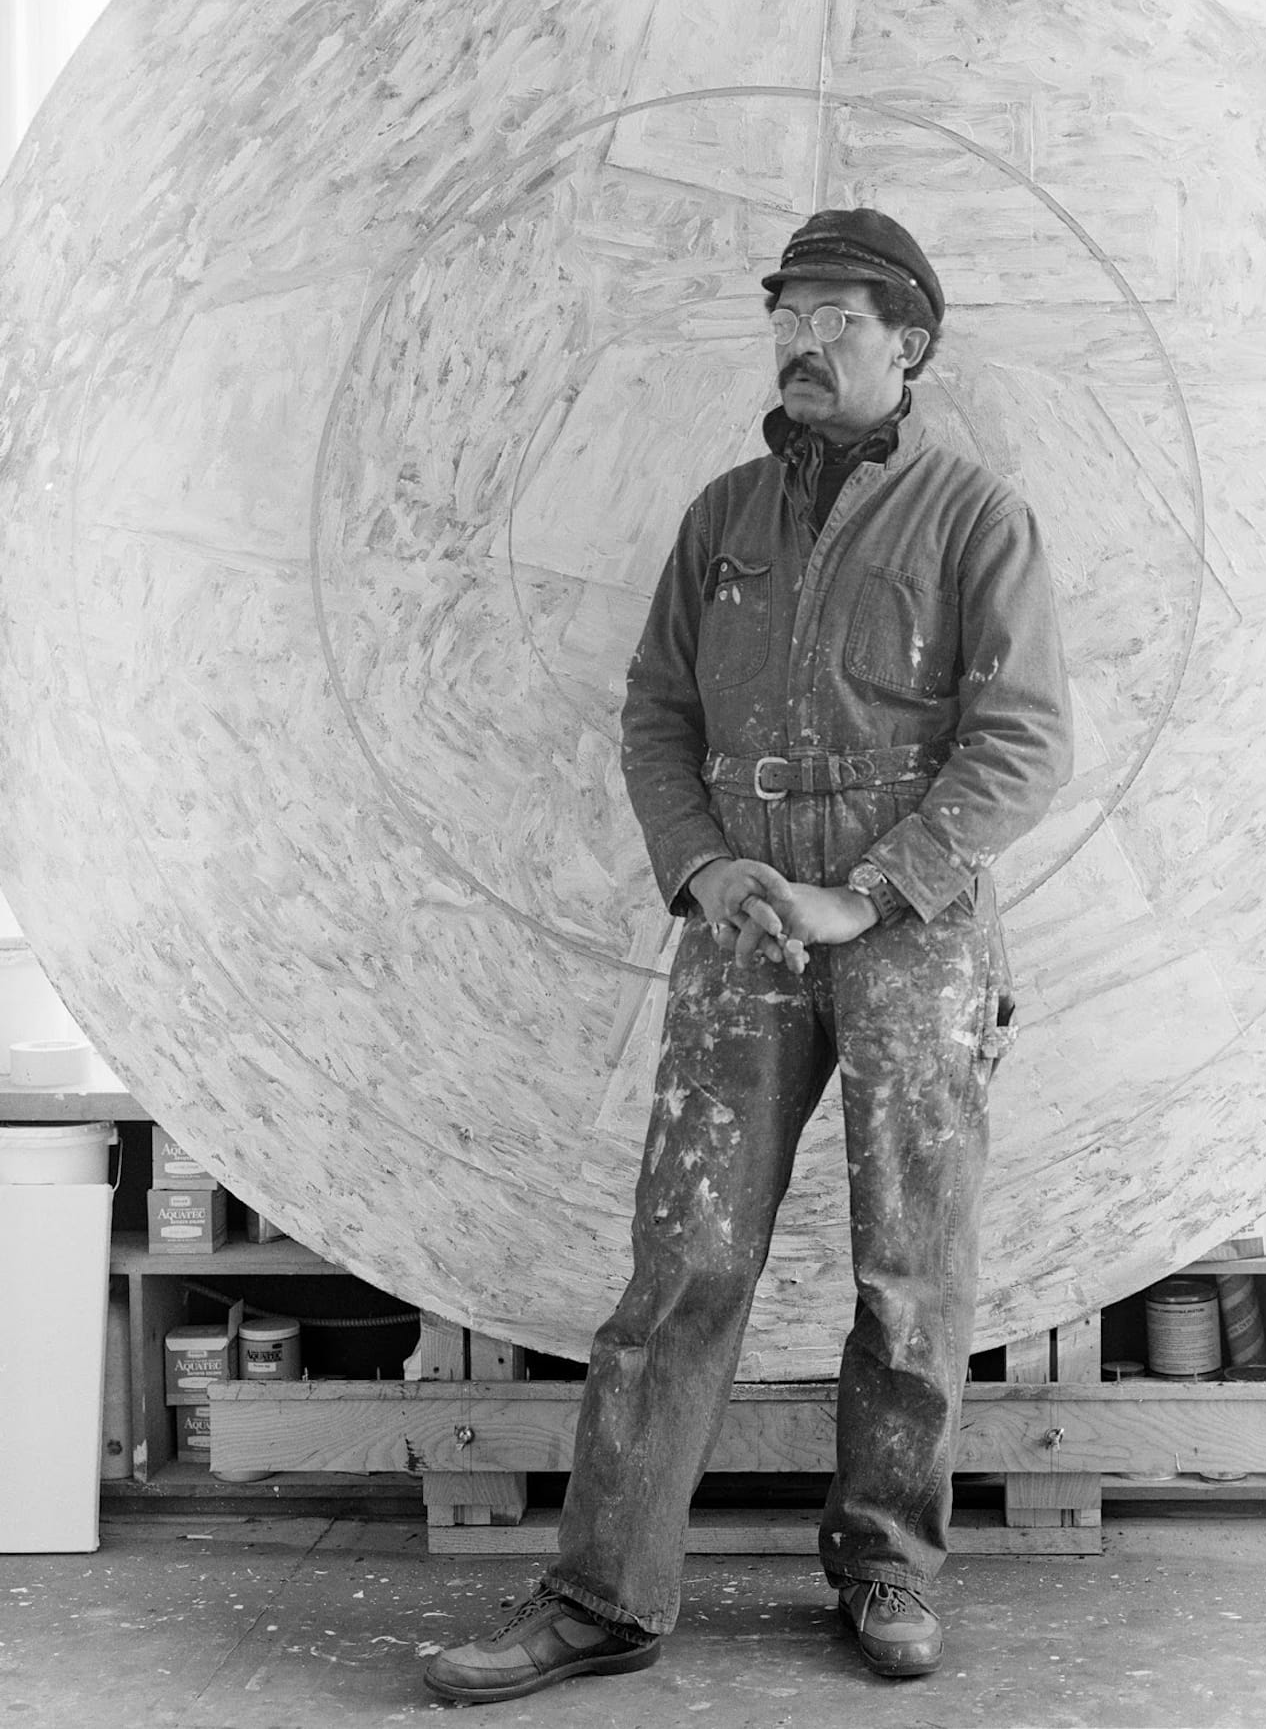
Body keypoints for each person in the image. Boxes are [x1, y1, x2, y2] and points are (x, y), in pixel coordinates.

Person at [426, 207, 1073, 1705]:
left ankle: (888, 1562)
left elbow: (1025, 740)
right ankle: (604, 1595)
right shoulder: (721, 518)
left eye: (837, 319)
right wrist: (704, 866)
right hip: (741, 926)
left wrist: (874, 890)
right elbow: (658, 712)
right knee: (686, 1259)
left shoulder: (976, 516)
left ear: (908, 345)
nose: (801, 342)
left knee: (912, 1264)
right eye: (787, 316)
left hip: (913, 936)